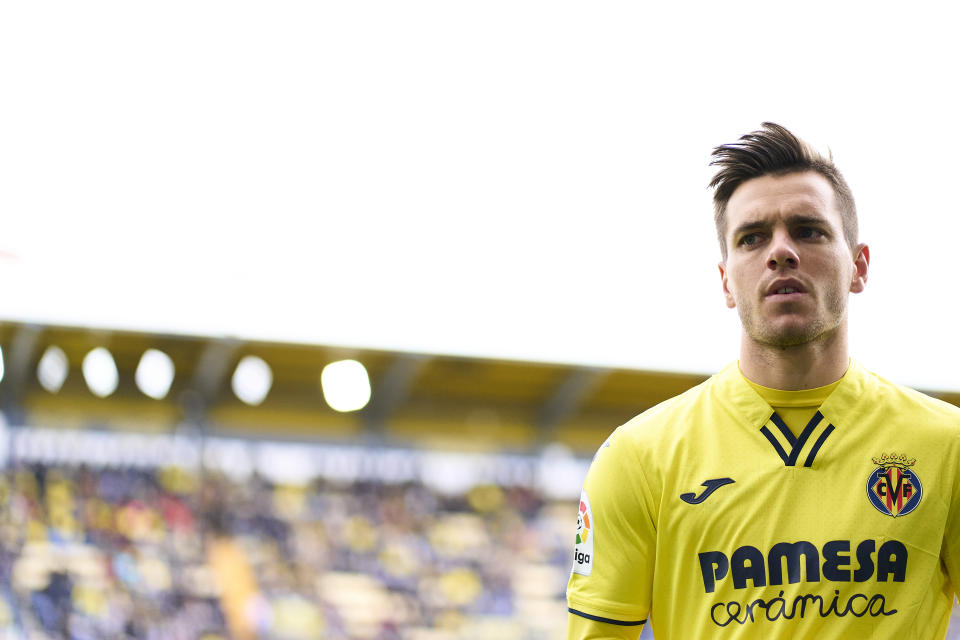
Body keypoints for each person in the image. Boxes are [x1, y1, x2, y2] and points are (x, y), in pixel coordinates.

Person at [565, 122, 960, 639]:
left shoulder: (947, 445)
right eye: (752, 238)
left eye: (808, 230)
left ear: (858, 266)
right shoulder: (640, 456)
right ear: (727, 280)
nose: (780, 251)